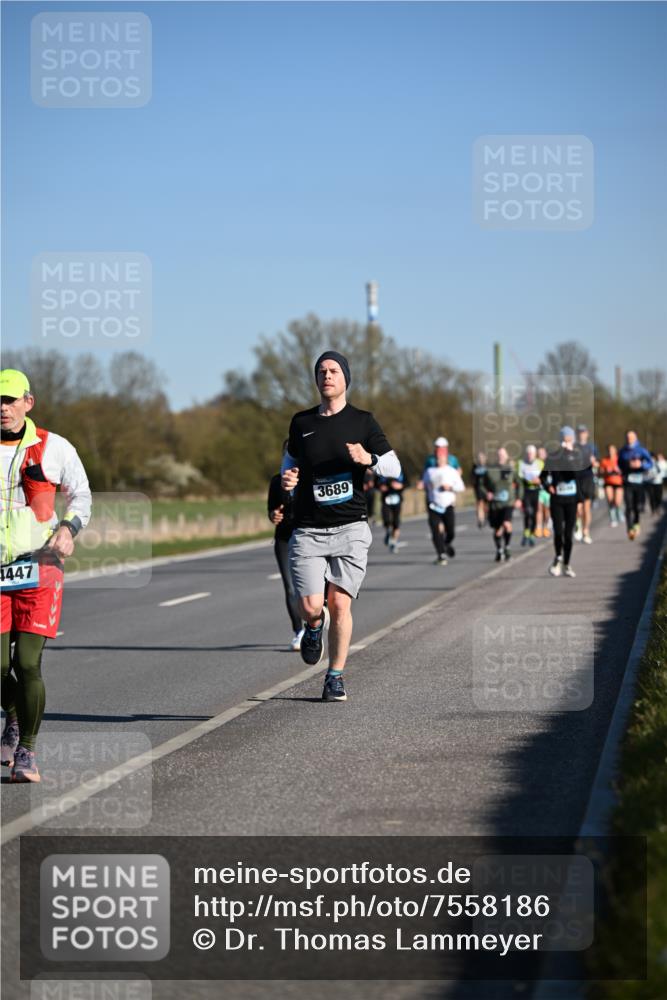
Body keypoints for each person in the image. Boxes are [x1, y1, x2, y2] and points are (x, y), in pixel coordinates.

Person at [281, 351, 401, 702]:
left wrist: (369, 458)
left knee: (339, 604)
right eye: (321, 371)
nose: (327, 376)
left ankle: (334, 676)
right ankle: (313, 626)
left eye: (334, 371)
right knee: (310, 606)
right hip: (308, 528)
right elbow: (289, 460)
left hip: (350, 527)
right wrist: (287, 479)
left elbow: (395, 467)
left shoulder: (363, 422)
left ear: (346, 377)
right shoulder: (302, 422)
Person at [1, 369, 92, 782]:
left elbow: (81, 495)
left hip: (39, 567)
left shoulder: (54, 446)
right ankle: (14, 715)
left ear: (28, 402)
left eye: (9, 400)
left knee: (27, 662)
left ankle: (27, 751)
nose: (3, 408)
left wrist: (68, 528)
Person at [267, 443, 304, 651]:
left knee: (314, 588)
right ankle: (299, 631)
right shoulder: (276, 482)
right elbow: (271, 510)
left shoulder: (310, 479)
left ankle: (315, 622)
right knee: (290, 587)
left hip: (308, 537)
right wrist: (273, 515)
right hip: (283, 538)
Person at [541, 426, 583, 577]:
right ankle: (558, 556)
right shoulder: (552, 457)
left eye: (569, 439)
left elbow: (576, 473)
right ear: (560, 440)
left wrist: (569, 454)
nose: (566, 442)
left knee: (568, 534)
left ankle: (567, 564)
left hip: (571, 499)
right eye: (564, 439)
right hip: (557, 499)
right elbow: (543, 476)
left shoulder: (577, 456)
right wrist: (548, 487)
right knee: (558, 532)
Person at [423, 451, 465, 565]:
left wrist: (450, 488)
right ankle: (441, 555)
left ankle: (446, 544)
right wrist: (422, 486)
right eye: (438, 457)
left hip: (448, 505)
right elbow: (424, 484)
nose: (439, 459)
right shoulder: (429, 471)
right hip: (433, 505)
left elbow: (461, 487)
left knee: (450, 532)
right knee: (436, 529)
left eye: (442, 457)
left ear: (446, 459)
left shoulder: (452, 471)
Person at [481, 447, 521, 561]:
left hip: (508, 503)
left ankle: (507, 548)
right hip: (495, 505)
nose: (501, 457)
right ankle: (499, 550)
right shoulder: (490, 470)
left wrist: (519, 498)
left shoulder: (511, 469)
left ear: (507, 456)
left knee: (507, 524)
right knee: (497, 530)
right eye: (499, 455)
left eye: (503, 455)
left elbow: (519, 484)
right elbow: (481, 485)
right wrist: (486, 493)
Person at [618, 431, 653, 540]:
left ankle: (636, 523)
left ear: (635, 438)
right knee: (628, 506)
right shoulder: (622, 451)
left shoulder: (641, 450)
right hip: (627, 482)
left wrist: (641, 464)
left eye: (631, 437)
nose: (629, 439)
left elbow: (650, 463)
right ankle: (630, 529)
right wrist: (626, 466)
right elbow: (619, 464)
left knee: (637, 506)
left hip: (639, 482)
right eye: (628, 437)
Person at [574, 424, 598, 544]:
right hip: (576, 478)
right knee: (578, 508)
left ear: (587, 434)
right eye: (579, 432)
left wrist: (594, 462)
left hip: (588, 478)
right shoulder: (573, 447)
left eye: (583, 432)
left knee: (587, 507)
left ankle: (586, 531)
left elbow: (597, 463)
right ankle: (578, 525)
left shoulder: (592, 447)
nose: (581, 434)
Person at [517, 444, 543, 547]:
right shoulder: (521, 463)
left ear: (535, 454)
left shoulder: (540, 463)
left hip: (536, 490)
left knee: (535, 514)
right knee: (528, 512)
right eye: (528, 453)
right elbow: (518, 478)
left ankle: (531, 533)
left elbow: (544, 477)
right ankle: (526, 533)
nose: (529, 455)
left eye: (531, 454)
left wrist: (539, 480)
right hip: (526, 490)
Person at [377, 470, 406, 553]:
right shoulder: (382, 470)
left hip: (397, 499)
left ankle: (394, 542)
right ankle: (388, 532)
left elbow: (406, 483)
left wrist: (400, 486)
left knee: (396, 522)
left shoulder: (401, 470)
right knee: (386, 519)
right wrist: (381, 487)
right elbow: (375, 483)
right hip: (386, 499)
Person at [599, 444, 624, 526]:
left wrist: (619, 470)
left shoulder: (619, 459)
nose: (610, 452)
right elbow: (600, 472)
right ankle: (613, 519)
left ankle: (619, 512)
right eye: (609, 450)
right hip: (608, 482)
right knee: (610, 500)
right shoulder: (604, 460)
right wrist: (606, 472)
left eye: (612, 450)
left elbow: (625, 469)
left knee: (617, 501)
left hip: (618, 482)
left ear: (615, 450)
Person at [534, 445, 551, 539]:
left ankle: (546, 527)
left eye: (542, 453)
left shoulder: (549, 464)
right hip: (538, 490)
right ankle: (538, 527)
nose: (541, 455)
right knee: (539, 509)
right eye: (539, 453)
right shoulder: (535, 464)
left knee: (546, 511)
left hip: (547, 490)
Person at [470, 451, 488, 529]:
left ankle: (486, 516)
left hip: (487, 488)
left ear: (485, 458)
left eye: (482, 458)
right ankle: (480, 519)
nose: (480, 459)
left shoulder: (488, 467)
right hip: (478, 488)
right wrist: (473, 484)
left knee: (486, 505)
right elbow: (472, 476)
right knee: (479, 503)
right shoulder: (475, 467)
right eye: (479, 458)